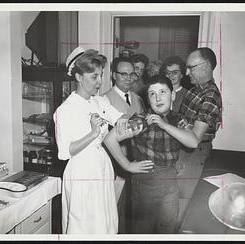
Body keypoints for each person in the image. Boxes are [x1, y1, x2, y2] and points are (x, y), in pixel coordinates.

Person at [53, 47, 153, 234]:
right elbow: (66, 152)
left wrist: (125, 118)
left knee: (104, 222)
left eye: (101, 75)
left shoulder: (99, 102)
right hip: (82, 172)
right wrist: (92, 133)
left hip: (102, 167)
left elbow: (120, 116)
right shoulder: (66, 109)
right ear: (78, 77)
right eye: (94, 77)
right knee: (84, 225)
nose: (100, 82)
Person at [104, 74, 201, 234]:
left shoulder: (178, 119)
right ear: (148, 100)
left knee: (167, 231)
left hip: (170, 184)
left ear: (173, 95)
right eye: (152, 94)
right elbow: (109, 139)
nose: (158, 98)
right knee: (142, 231)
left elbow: (193, 142)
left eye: (163, 92)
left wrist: (164, 125)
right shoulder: (141, 121)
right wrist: (127, 165)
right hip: (145, 184)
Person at [175, 47, 222, 228]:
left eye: (190, 68)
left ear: (206, 66)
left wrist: (181, 125)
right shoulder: (195, 89)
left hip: (194, 153)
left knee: (181, 204)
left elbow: (195, 137)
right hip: (182, 149)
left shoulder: (210, 96)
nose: (186, 73)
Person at [102, 57, 145, 233]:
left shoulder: (139, 99)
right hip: (115, 165)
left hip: (136, 163)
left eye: (131, 74)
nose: (128, 78)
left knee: (131, 213)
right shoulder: (104, 100)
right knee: (113, 211)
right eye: (123, 74)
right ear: (113, 75)